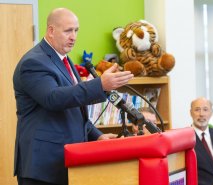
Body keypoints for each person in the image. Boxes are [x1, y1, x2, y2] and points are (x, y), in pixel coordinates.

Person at [13, 8, 134, 185]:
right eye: (68, 30)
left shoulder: (64, 59)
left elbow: (74, 110)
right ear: (51, 31)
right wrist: (100, 84)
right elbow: (53, 99)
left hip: (67, 163)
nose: (74, 36)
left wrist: (97, 136)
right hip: (43, 167)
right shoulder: (34, 62)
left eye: (76, 30)